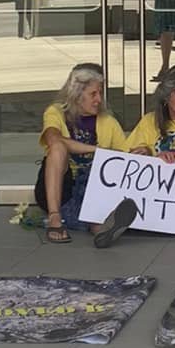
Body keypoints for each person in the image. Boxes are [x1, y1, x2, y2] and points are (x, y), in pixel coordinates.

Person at [38, 61, 127, 244]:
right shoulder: (55, 112)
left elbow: (124, 157)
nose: (99, 99)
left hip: (92, 188)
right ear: (77, 94)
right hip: (63, 188)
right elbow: (53, 139)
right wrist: (97, 150)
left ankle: (101, 230)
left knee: (95, 187)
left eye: (100, 93)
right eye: (93, 94)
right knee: (58, 148)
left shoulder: (108, 121)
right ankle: (55, 217)